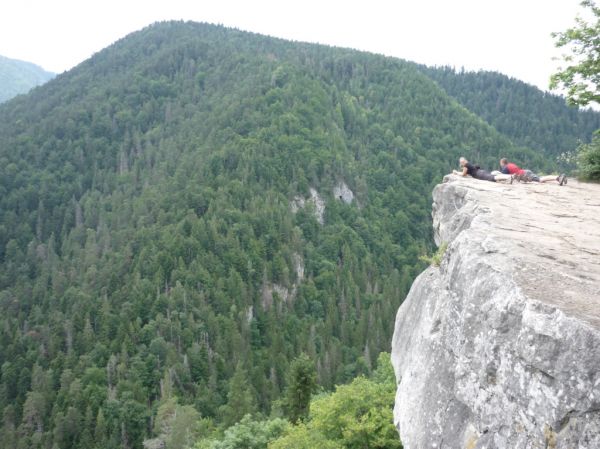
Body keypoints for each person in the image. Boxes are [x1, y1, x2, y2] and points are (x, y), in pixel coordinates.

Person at [499, 158, 566, 185]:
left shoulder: (505, 168)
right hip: (526, 172)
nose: (500, 165)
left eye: (500, 163)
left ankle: (558, 178)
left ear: (502, 163)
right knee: (541, 178)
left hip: (525, 175)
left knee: (541, 179)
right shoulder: (510, 164)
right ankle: (558, 178)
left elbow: (501, 176)